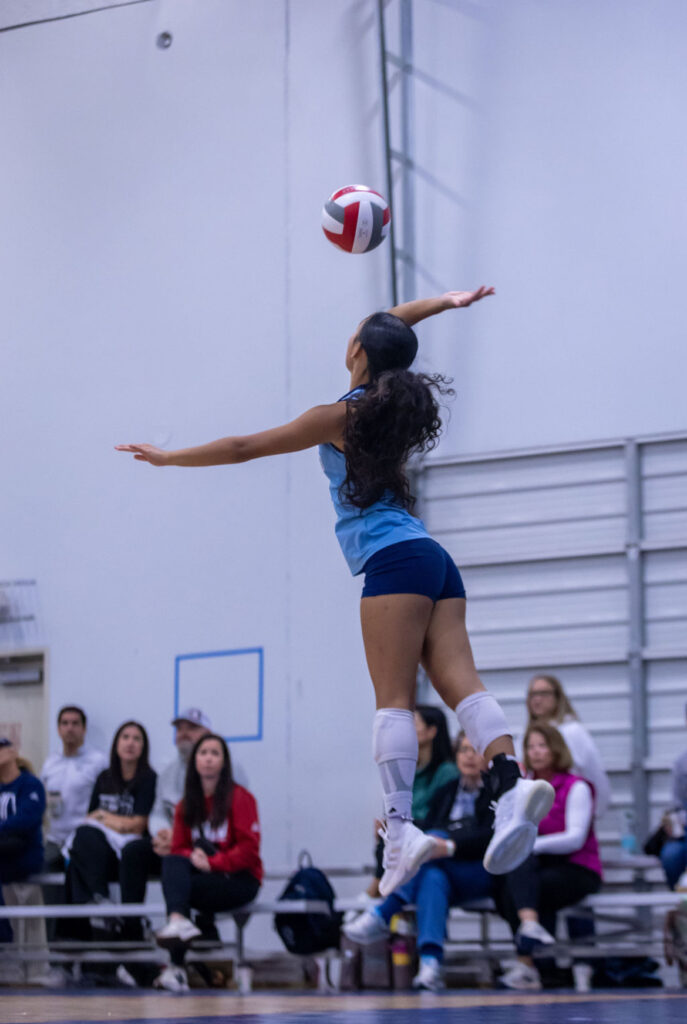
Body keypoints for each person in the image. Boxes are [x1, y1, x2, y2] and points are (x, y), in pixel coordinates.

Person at [116, 287, 554, 892]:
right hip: (433, 559)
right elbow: (389, 329)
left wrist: (170, 458)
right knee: (463, 685)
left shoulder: (341, 415)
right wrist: (444, 303)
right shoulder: (391, 408)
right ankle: (510, 779)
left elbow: (244, 448)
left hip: (392, 562)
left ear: (357, 351)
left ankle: (400, 832)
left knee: (393, 700)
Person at [345, 732, 494, 991]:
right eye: (463, 750)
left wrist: (448, 845)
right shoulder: (447, 791)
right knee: (432, 877)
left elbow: (489, 836)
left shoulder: (497, 791)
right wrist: (394, 830)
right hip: (442, 871)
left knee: (432, 842)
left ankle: (383, 912)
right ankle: (430, 964)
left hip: (480, 870)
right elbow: (425, 827)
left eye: (475, 750)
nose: (469, 756)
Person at [495, 723, 602, 991]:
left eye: (542, 745)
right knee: (510, 885)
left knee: (525, 886)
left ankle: (531, 963)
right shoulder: (522, 789)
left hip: (578, 868)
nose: (536, 752)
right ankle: (536, 953)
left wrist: (532, 845)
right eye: (530, 746)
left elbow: (575, 838)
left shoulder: (577, 787)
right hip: (540, 866)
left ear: (556, 749)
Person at [153, 733, 262, 993]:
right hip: (204, 879)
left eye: (215, 753)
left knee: (178, 889)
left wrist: (213, 862)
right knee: (174, 866)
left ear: (224, 762)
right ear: (195, 761)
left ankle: (176, 965)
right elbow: (179, 848)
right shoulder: (185, 805)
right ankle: (178, 928)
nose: (209, 758)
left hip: (240, 880)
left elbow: (249, 850)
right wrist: (194, 857)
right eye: (203, 753)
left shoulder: (241, 798)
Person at [116, 707, 212, 939]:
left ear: (208, 734)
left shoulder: (225, 769)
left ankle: (206, 927)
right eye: (180, 729)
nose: (184, 733)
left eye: (192, 728)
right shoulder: (168, 772)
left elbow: (221, 821)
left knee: (190, 855)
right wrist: (163, 834)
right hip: (174, 845)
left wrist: (179, 839)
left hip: (207, 846)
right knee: (133, 852)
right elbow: (158, 812)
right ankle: (132, 930)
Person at [63, 721, 157, 942]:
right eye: (125, 737)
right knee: (83, 838)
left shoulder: (149, 778)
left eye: (136, 739)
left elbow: (137, 825)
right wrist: (113, 821)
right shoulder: (104, 777)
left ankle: (81, 932)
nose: (130, 743)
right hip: (103, 850)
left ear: (143, 747)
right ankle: (100, 904)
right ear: (116, 744)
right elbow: (90, 818)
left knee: (80, 858)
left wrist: (104, 817)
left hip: (131, 852)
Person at [368, 705, 458, 894]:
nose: (406, 730)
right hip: (405, 839)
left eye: (413, 724)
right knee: (389, 835)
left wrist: (398, 826)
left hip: (430, 838)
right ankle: (379, 890)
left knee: (398, 837)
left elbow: (439, 818)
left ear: (432, 731)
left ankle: (376, 891)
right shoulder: (408, 773)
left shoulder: (447, 772)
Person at [40, 705, 107, 933]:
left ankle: (86, 950)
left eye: (75, 723)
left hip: (82, 842)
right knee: (50, 897)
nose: (70, 728)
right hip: (54, 839)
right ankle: (54, 950)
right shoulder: (50, 763)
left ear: (84, 729)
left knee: (81, 900)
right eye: (65, 723)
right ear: (58, 729)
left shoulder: (98, 761)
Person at [523, 674, 611, 818]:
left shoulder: (573, 731)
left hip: (569, 810)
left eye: (544, 693)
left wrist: (593, 812)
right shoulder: (525, 733)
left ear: (558, 697)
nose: (537, 699)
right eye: (532, 694)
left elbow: (594, 772)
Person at [0, 736, 46, 943]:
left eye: (2, 747)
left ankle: (3, 935)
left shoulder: (30, 784)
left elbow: (25, 821)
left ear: (13, 752)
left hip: (24, 853)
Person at [658, 703, 687, 890]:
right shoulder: (681, 763)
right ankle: (680, 899)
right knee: (671, 856)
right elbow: (677, 805)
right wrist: (672, 820)